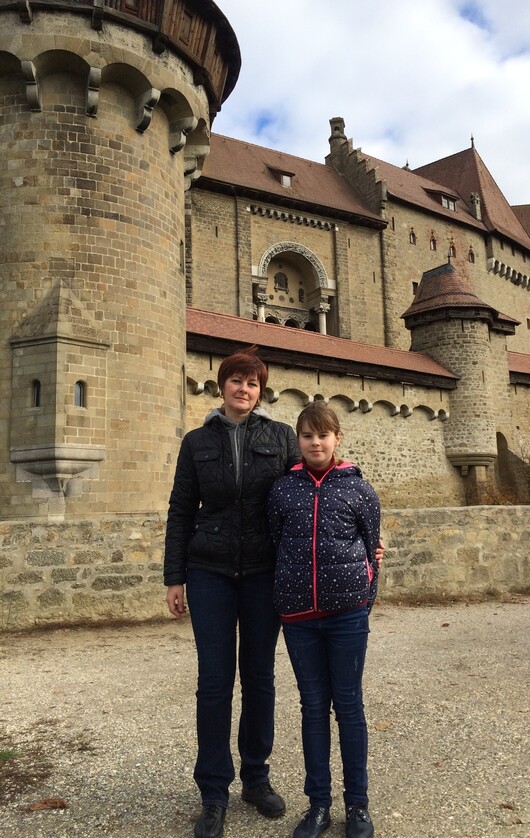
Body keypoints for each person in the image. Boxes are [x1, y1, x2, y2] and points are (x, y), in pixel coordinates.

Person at [164, 346, 300, 838]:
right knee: (215, 683)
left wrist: (362, 527)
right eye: (236, 381)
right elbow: (181, 509)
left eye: (253, 384)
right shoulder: (196, 442)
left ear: (261, 392)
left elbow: (305, 494)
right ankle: (214, 792)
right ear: (221, 386)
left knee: (260, 678)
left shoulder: (282, 437)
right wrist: (173, 577)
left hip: (264, 571)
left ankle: (256, 777)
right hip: (210, 571)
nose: (244, 389)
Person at [268, 402, 380, 838]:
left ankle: (358, 806)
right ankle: (318, 805)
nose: (316, 443)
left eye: (323, 435)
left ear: (337, 438)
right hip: (298, 616)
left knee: (349, 707)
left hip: (347, 615)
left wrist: (362, 598)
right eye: (308, 436)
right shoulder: (282, 491)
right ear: (298, 442)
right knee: (313, 708)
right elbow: (277, 542)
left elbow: (371, 548)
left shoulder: (359, 491)